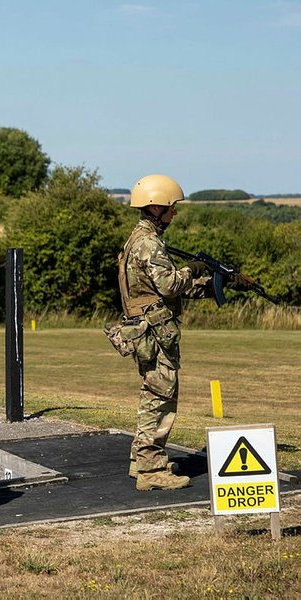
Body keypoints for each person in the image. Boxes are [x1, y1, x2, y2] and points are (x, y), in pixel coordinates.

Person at [120, 174, 212, 491]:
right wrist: (193, 270)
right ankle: (150, 471)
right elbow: (169, 284)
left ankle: (143, 462)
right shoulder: (148, 244)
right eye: (172, 208)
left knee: (152, 397)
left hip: (147, 330)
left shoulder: (139, 240)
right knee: (161, 399)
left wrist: (208, 288)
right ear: (156, 207)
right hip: (155, 333)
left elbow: (161, 290)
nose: (175, 213)